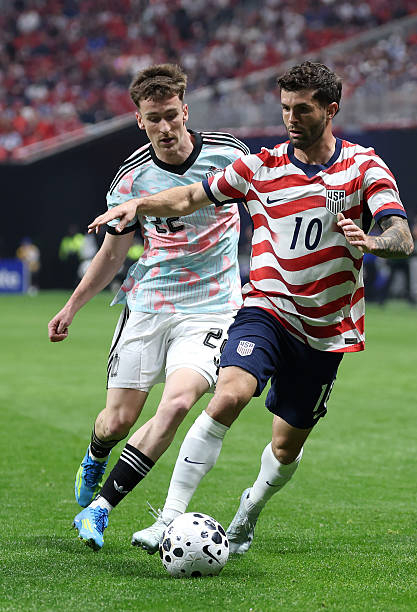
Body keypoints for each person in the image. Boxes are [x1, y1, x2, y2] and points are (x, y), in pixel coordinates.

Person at [87, 60, 414, 555]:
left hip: (326, 330)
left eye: (302, 110)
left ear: (331, 110)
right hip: (265, 309)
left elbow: (402, 237)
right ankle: (168, 519)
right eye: (285, 108)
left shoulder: (364, 167)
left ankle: (249, 511)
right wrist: (139, 205)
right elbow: (189, 197)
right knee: (229, 395)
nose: (291, 119)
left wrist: (372, 241)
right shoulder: (260, 167)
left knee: (285, 446)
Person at [48, 63, 249, 551]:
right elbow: (112, 254)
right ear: (139, 120)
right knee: (117, 421)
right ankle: (97, 454)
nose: (164, 127)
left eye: (171, 115)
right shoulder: (131, 178)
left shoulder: (230, 155)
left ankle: (102, 507)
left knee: (177, 403)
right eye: (153, 118)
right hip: (149, 303)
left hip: (212, 307)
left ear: (186, 111)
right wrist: (72, 308)